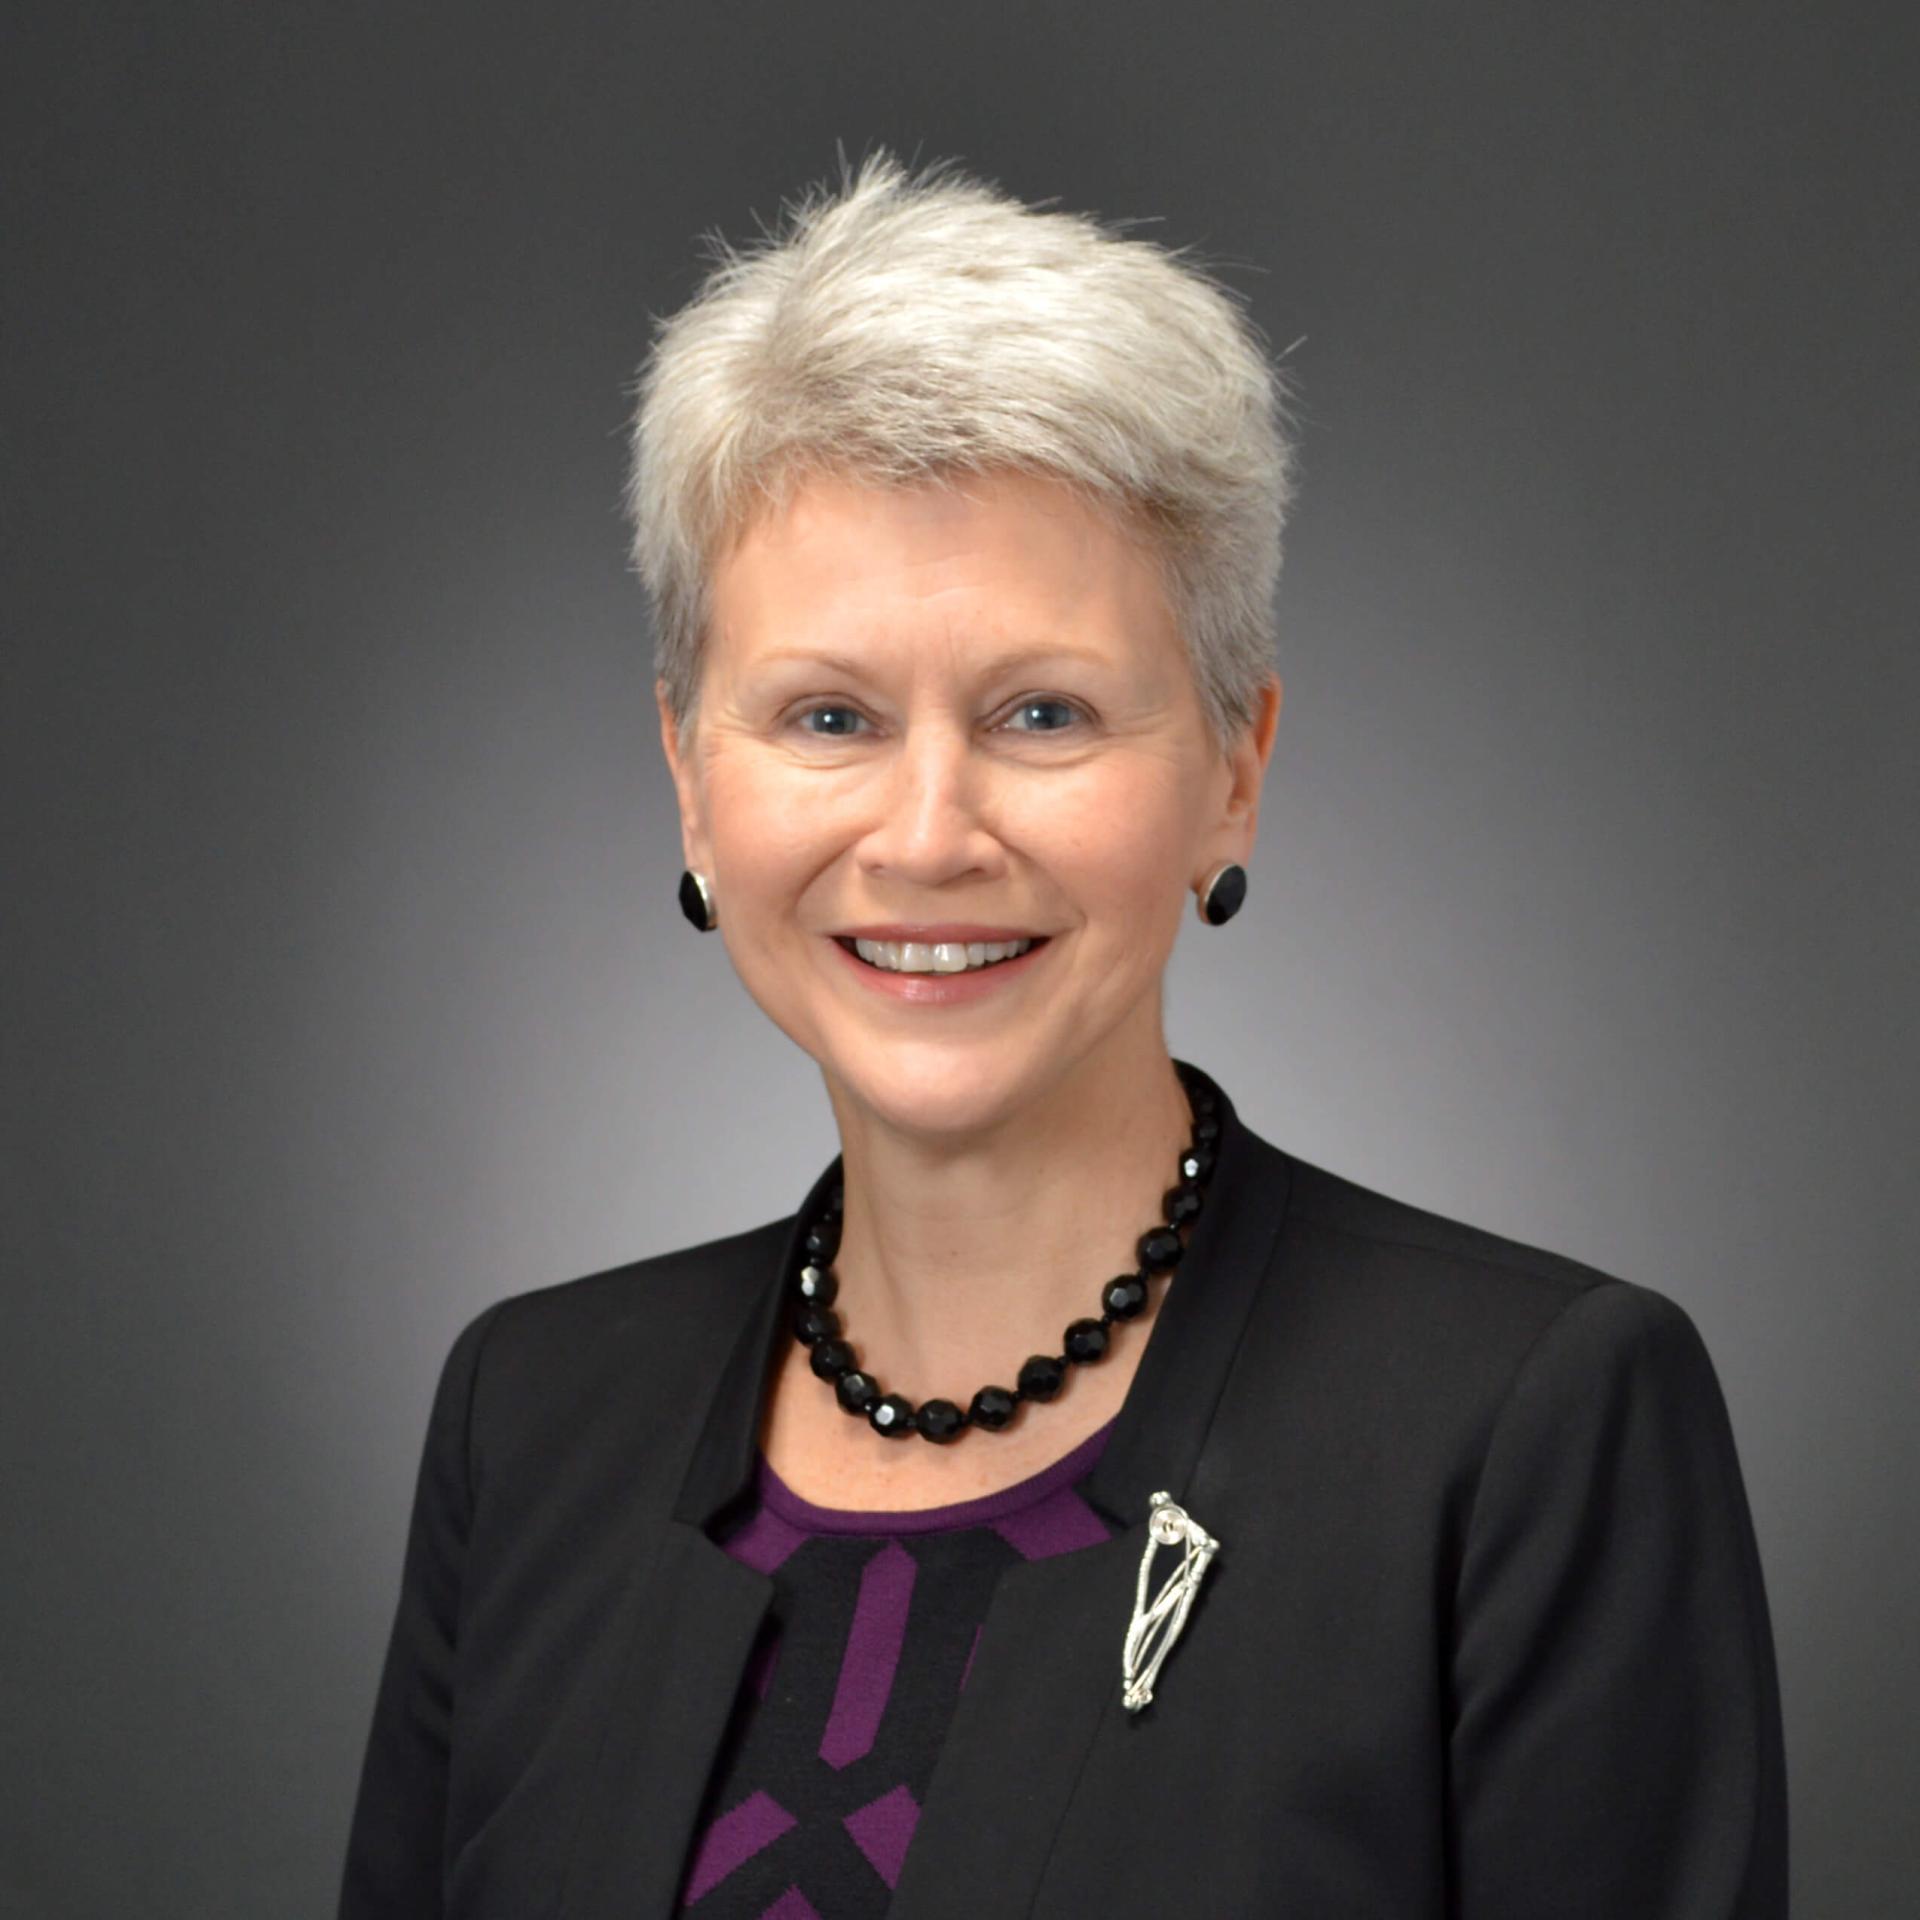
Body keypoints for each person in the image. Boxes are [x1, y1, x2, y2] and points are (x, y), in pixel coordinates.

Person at [337, 151, 1788, 1919]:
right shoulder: (533, 1415)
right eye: (827, 714)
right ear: (690, 783)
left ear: (1234, 772)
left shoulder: (1527, 1432)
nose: (930, 831)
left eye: (1044, 711)